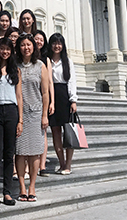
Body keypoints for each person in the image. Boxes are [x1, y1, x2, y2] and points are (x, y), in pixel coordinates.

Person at [14, 34, 50, 202]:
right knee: (20, 152)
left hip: (36, 113)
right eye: (23, 45)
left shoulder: (40, 65)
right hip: (20, 114)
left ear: (34, 47)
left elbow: (45, 92)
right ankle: (22, 186)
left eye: (29, 45)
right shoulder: (16, 65)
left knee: (35, 153)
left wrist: (44, 115)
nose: (26, 48)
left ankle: (32, 186)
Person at [0, 37, 22, 206]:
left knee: (9, 154)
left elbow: (19, 96)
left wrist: (20, 120)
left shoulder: (15, 70)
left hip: (11, 111)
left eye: (8, 49)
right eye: (2, 48)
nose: (5, 52)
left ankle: (7, 192)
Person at [47, 33, 77, 175]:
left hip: (65, 96)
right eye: (54, 43)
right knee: (56, 133)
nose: (57, 46)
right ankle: (61, 163)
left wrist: (73, 100)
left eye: (59, 43)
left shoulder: (68, 62)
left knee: (69, 133)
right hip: (53, 96)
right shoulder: (47, 61)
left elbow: (72, 81)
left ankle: (68, 164)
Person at [32, 30, 50, 176]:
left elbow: (48, 85)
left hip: (40, 100)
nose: (38, 41)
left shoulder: (45, 60)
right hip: (28, 101)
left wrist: (51, 102)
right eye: (36, 39)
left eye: (41, 39)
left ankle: (42, 165)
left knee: (42, 133)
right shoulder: (24, 60)